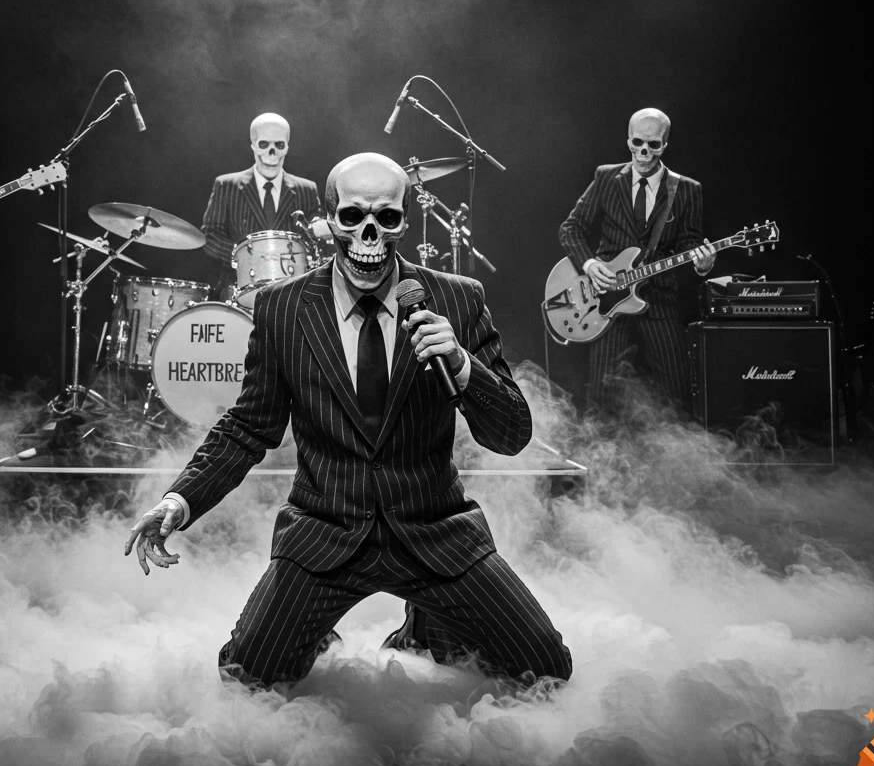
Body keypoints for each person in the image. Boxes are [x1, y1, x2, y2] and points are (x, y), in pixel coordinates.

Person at [127, 153, 572, 688]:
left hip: (434, 533)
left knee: (547, 669)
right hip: (325, 534)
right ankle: (313, 627)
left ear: (405, 221)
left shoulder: (457, 298)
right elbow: (247, 428)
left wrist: (462, 366)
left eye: (386, 219)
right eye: (352, 216)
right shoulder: (281, 308)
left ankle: (427, 630)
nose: (369, 233)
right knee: (247, 678)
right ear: (328, 219)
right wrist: (178, 500)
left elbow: (511, 435)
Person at [558, 108, 716, 413]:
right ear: (628, 140)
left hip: (657, 298)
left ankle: (674, 458)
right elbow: (571, 229)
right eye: (637, 142)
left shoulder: (686, 190)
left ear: (665, 144)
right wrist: (590, 265)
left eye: (653, 145)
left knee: (676, 394)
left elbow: (690, 243)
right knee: (602, 397)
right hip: (605, 300)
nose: (644, 152)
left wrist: (703, 264)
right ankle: (603, 458)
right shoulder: (606, 177)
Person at [199, 112, 322, 299]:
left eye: (278, 145)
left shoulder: (307, 189)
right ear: (253, 146)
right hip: (237, 289)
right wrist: (244, 255)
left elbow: (316, 242)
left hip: (291, 293)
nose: (271, 153)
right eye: (264, 145)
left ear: (287, 147)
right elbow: (209, 236)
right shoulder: (226, 186)